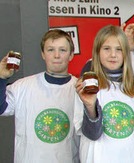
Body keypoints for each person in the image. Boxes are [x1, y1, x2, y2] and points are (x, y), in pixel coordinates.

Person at [0, 30, 79, 162]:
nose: (56, 55)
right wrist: (1, 77)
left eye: (63, 50)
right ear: (43, 54)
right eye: (50, 50)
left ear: (71, 55)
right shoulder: (22, 87)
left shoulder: (81, 89)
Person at [74, 25, 134, 163]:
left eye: (119, 49)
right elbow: (92, 134)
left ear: (126, 53)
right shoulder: (87, 88)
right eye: (106, 49)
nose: (113, 55)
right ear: (97, 52)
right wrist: (90, 106)